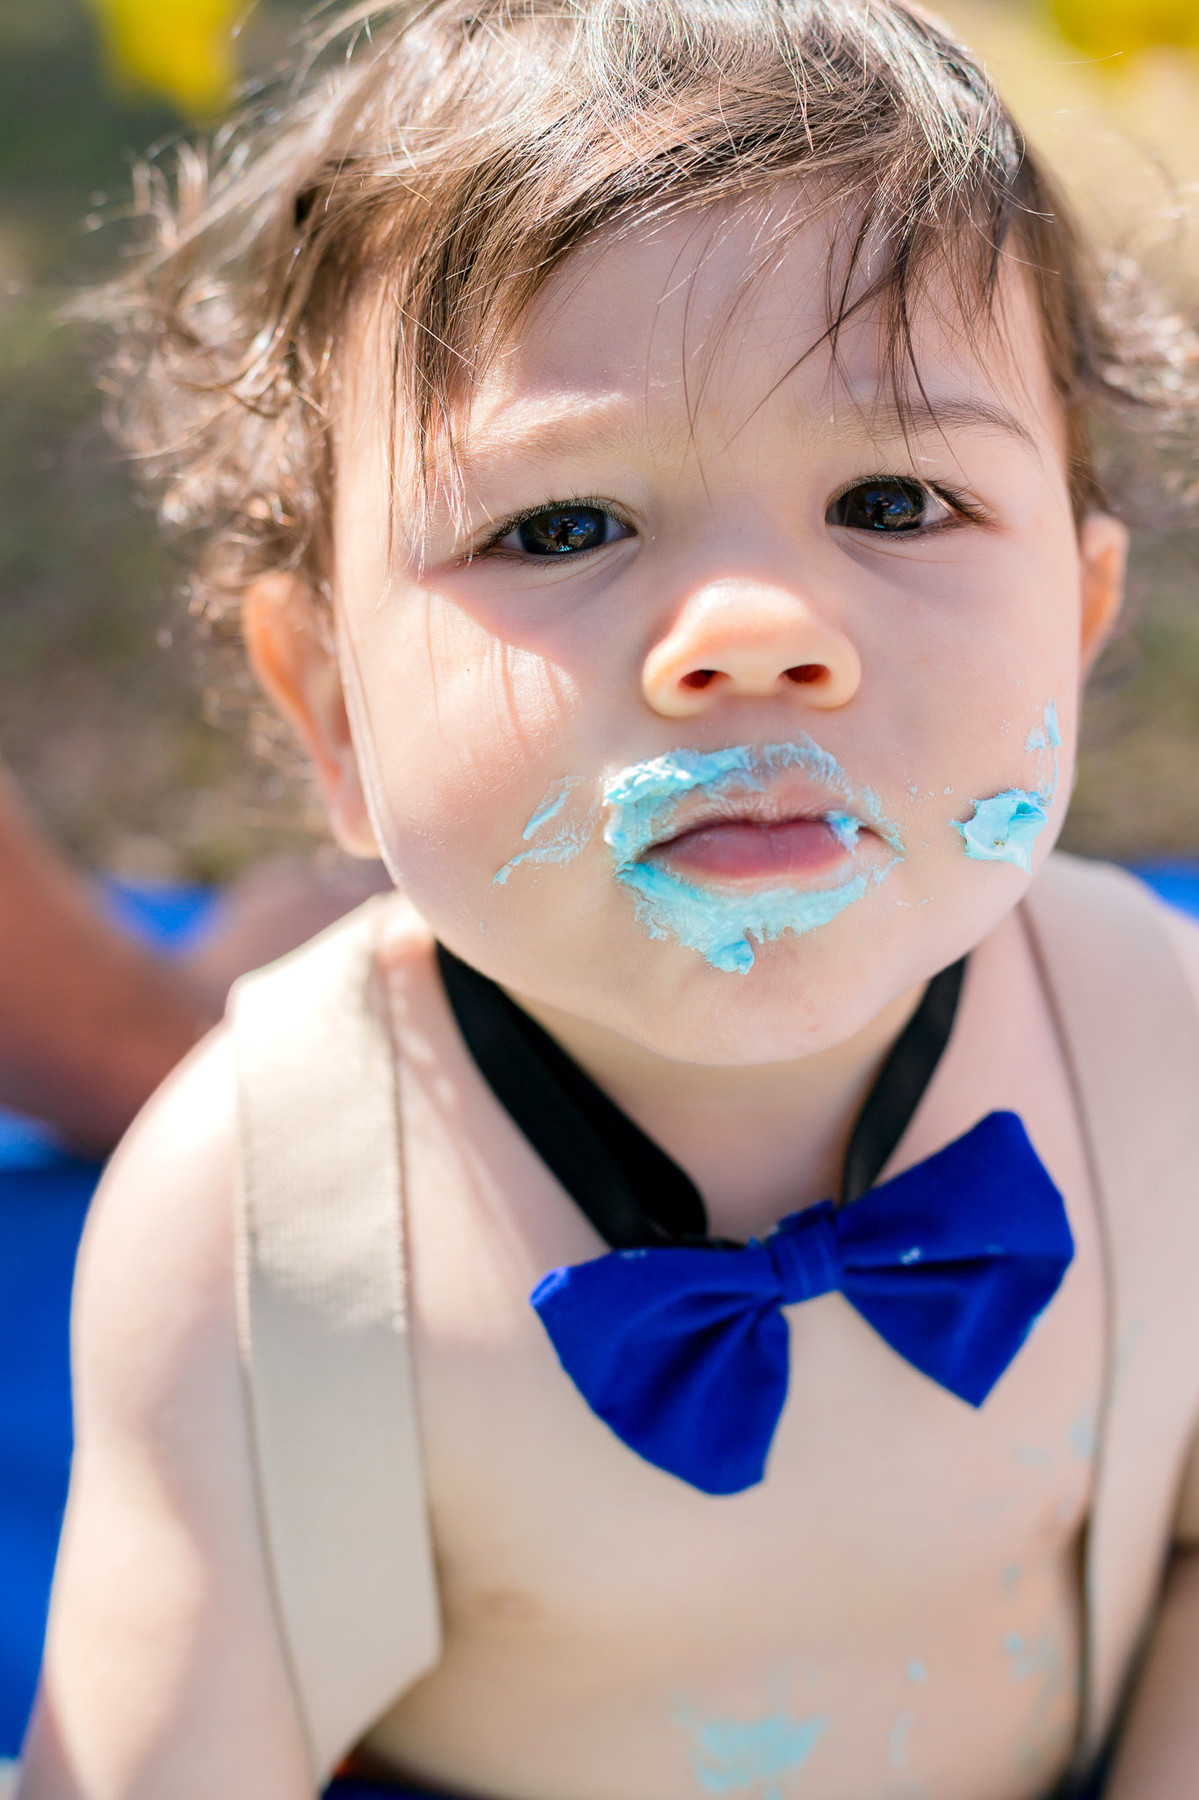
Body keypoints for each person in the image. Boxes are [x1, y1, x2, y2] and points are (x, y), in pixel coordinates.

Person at [16, 1, 1199, 1796]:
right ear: (327, 707)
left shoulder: (1156, 1045)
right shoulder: (270, 1233)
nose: (756, 638)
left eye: (894, 497)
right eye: (562, 526)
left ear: (1084, 620)